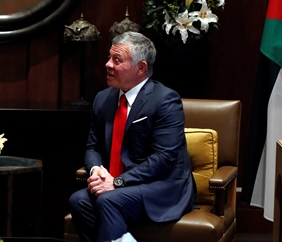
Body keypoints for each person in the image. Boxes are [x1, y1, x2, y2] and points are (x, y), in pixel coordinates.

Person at [68, 31, 196, 242]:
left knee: (109, 201)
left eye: (116, 60)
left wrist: (117, 182)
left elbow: (163, 159)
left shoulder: (165, 100)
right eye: (109, 58)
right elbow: (93, 147)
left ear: (141, 68)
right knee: (78, 200)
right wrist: (97, 170)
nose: (108, 64)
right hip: (117, 183)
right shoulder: (103, 99)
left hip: (160, 186)